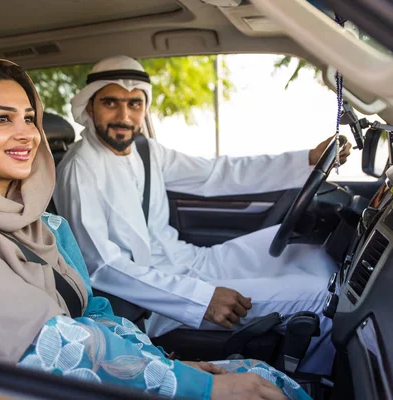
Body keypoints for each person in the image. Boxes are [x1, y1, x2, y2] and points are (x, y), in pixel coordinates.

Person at [0, 59, 309, 400]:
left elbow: (94, 313)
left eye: (29, 117)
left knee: (263, 377)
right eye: (2, 119)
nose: (26, 135)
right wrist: (200, 388)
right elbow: (48, 348)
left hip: (89, 369)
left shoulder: (41, 223)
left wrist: (175, 366)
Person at [54, 55, 353, 375]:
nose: (124, 116)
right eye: (110, 103)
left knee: (309, 254)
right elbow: (103, 267)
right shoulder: (78, 169)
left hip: (189, 262)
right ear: (90, 107)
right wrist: (201, 299)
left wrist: (307, 159)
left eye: (134, 104)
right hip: (154, 297)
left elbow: (217, 173)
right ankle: (315, 382)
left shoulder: (145, 151)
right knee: (322, 298)